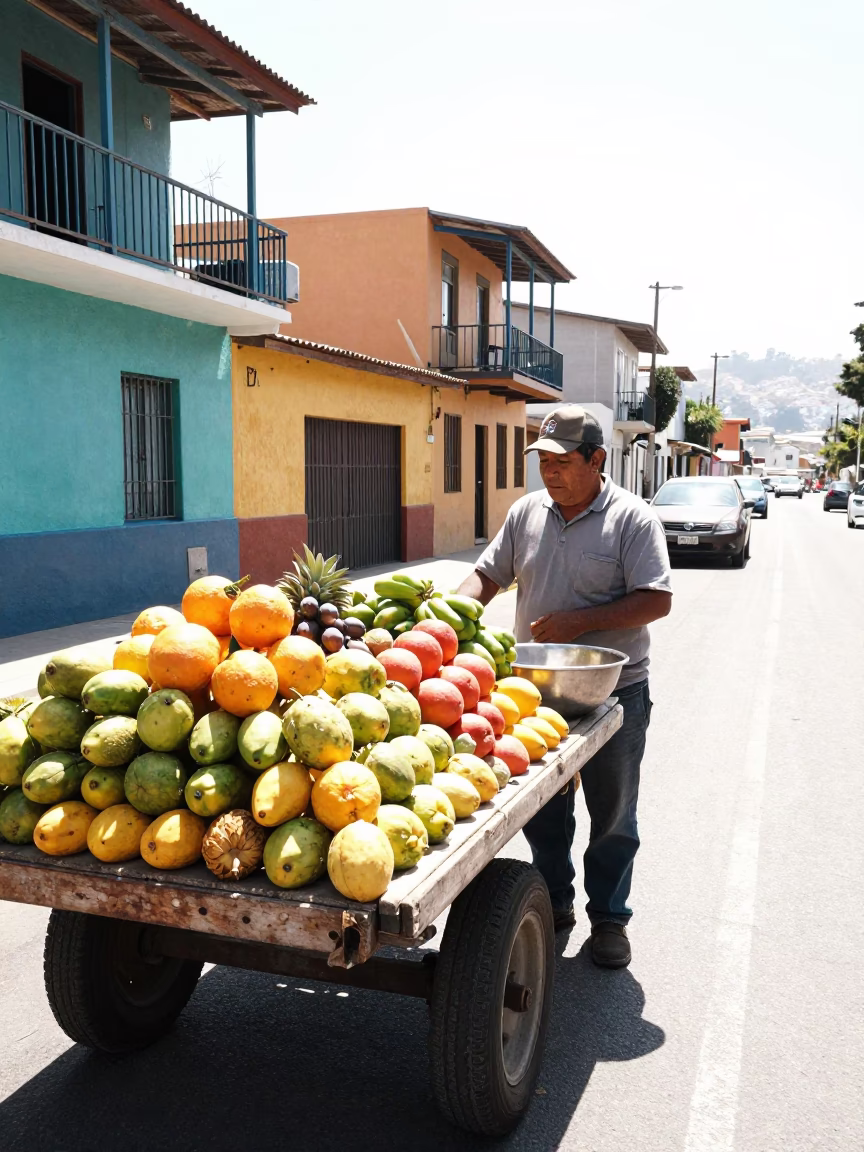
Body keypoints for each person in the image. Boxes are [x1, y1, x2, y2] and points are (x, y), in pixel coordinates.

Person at [456, 405, 672, 968]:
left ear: (597, 460)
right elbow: (487, 575)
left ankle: (609, 919)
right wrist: (449, 615)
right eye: (542, 461)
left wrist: (578, 620)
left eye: (562, 461)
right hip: (536, 692)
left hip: (615, 689)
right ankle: (554, 902)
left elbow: (657, 599)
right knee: (545, 810)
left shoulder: (632, 519)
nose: (549, 472)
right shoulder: (528, 512)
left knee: (613, 812)